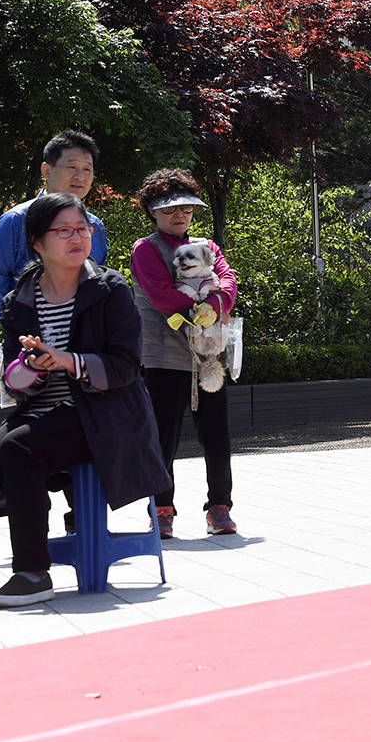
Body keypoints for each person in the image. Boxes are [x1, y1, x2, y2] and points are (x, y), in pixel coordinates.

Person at [0, 194, 170, 609]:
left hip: (103, 412)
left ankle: (33, 572)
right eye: (65, 231)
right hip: (41, 411)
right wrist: (31, 368)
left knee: (20, 448)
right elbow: (14, 381)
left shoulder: (110, 289)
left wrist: (68, 361)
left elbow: (127, 365)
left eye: (84, 229)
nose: (78, 238)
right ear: (37, 242)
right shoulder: (19, 300)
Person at [129, 169, 238, 539]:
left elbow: (228, 281)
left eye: (187, 209)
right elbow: (161, 296)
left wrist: (215, 303)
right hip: (163, 356)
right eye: (170, 210)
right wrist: (203, 306)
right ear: (153, 213)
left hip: (208, 354)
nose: (180, 216)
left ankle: (219, 506)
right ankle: (161, 510)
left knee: (217, 435)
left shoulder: (207, 246)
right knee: (162, 438)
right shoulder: (146, 249)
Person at [0, 131, 107, 322]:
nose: (80, 176)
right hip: (30, 341)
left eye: (87, 169)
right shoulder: (16, 220)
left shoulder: (94, 227)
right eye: (72, 167)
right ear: (46, 170)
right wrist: (21, 324)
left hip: (80, 343)